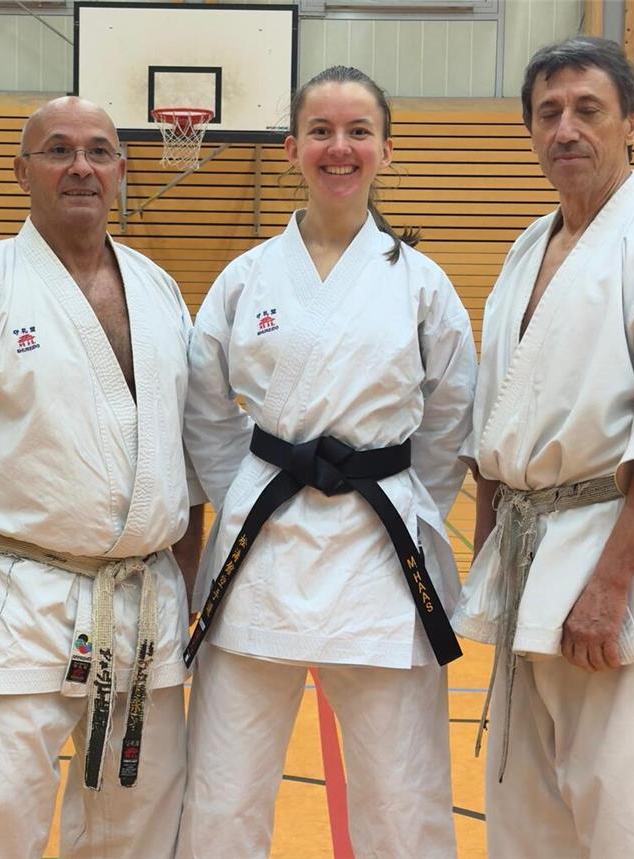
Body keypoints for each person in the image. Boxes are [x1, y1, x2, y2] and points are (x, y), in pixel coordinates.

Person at [0, 96, 204, 859]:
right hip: (12, 598)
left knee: (139, 826)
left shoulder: (159, 291)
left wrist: (182, 583)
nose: (81, 166)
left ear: (123, 170)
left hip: (142, 606)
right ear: (22, 171)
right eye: (58, 150)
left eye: (100, 150)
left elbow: (184, 458)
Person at [175, 66, 477, 859]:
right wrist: (245, 490)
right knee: (223, 791)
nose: (338, 148)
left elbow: (451, 417)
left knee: (401, 794)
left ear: (384, 149)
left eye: (357, 132)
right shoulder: (246, 279)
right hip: (262, 550)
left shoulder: (421, 284)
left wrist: (404, 493)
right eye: (320, 131)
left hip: (378, 558)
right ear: (290, 149)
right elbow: (205, 409)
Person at [453, 37, 634, 857]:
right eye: (548, 113)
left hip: (621, 556)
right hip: (529, 558)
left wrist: (610, 584)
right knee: (531, 810)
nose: (566, 129)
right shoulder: (525, 250)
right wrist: (490, 564)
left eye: (588, 110)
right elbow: (495, 433)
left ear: (632, 124)